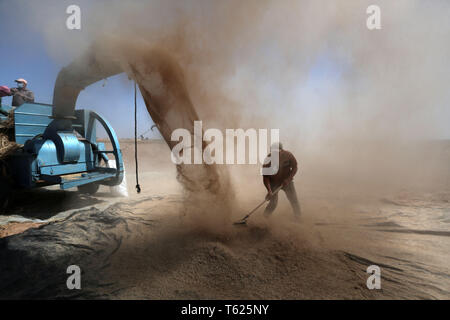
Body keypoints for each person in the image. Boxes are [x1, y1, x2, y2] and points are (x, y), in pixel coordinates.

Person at [262, 142, 301, 218]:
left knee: (294, 200)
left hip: (287, 182)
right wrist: (269, 191)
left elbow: (295, 167)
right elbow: (265, 177)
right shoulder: (268, 159)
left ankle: (298, 218)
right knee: (273, 203)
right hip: (274, 183)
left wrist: (288, 179)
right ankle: (264, 218)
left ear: (282, 150)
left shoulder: (288, 155)